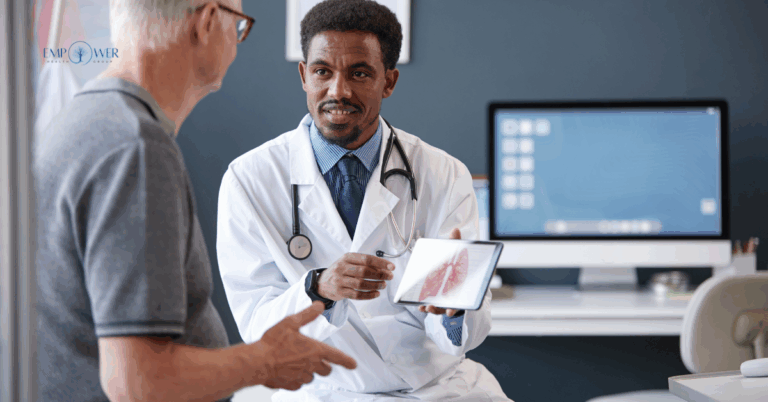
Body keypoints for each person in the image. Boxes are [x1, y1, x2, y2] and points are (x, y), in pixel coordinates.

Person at [34, 1, 356, 401]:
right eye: (238, 26)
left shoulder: (85, 118)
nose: (237, 45)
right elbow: (139, 383)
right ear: (206, 22)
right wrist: (266, 361)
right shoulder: (135, 148)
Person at [216, 0, 511, 400]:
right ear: (304, 75)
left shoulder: (442, 174)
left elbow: (458, 333)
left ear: (388, 82)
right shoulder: (250, 179)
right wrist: (320, 286)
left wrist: (456, 311)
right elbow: (255, 324)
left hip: (433, 389)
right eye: (323, 71)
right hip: (317, 390)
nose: (338, 91)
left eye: (359, 73)